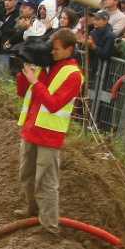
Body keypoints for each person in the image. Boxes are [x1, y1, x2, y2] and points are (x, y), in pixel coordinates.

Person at [14, 28, 83, 235]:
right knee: (26, 175)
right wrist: (23, 73)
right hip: (32, 129)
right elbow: (23, 92)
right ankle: (31, 210)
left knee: (46, 182)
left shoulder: (74, 75)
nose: (51, 52)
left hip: (50, 136)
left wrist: (35, 82)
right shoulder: (46, 66)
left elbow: (54, 104)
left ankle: (49, 226)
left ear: (69, 49)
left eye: (56, 49)